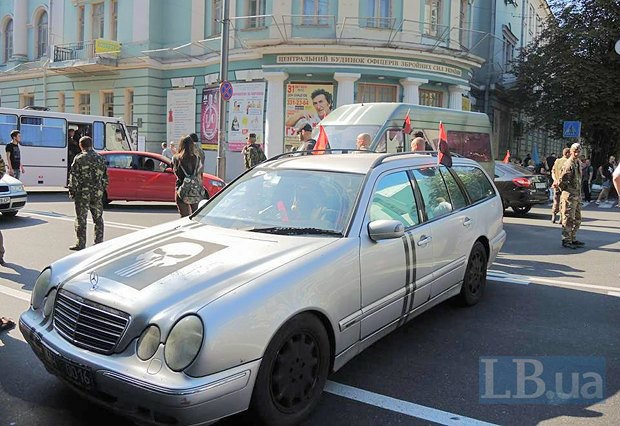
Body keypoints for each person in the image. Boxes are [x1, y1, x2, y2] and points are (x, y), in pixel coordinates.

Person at [67, 136, 108, 251]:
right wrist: (101, 189)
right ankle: (99, 243)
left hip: (82, 194)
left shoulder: (79, 158)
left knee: (81, 219)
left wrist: (72, 191)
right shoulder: (100, 158)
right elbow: (105, 177)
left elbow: (73, 177)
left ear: (81, 145)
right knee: (98, 219)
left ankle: (80, 244)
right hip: (97, 194)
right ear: (91, 144)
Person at [558, 143, 583, 249]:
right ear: (571, 152)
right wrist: (566, 192)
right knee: (568, 218)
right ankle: (566, 240)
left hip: (576, 195)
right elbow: (562, 181)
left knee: (577, 219)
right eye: (575, 151)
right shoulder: (569, 164)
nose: (577, 153)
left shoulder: (577, 162)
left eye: (579, 151)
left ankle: (572, 238)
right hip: (569, 196)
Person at [173, 135, 203, 217]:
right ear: (192, 145)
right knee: (195, 216)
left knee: (184, 216)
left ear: (181, 145)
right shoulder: (197, 158)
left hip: (181, 189)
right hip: (194, 190)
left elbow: (175, 171)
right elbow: (199, 173)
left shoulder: (176, 158)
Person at [550, 148, 570, 223]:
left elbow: (553, 172)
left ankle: (554, 215)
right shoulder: (568, 162)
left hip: (556, 184)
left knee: (556, 200)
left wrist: (555, 180)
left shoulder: (557, 161)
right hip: (564, 185)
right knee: (563, 201)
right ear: (567, 153)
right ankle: (561, 217)